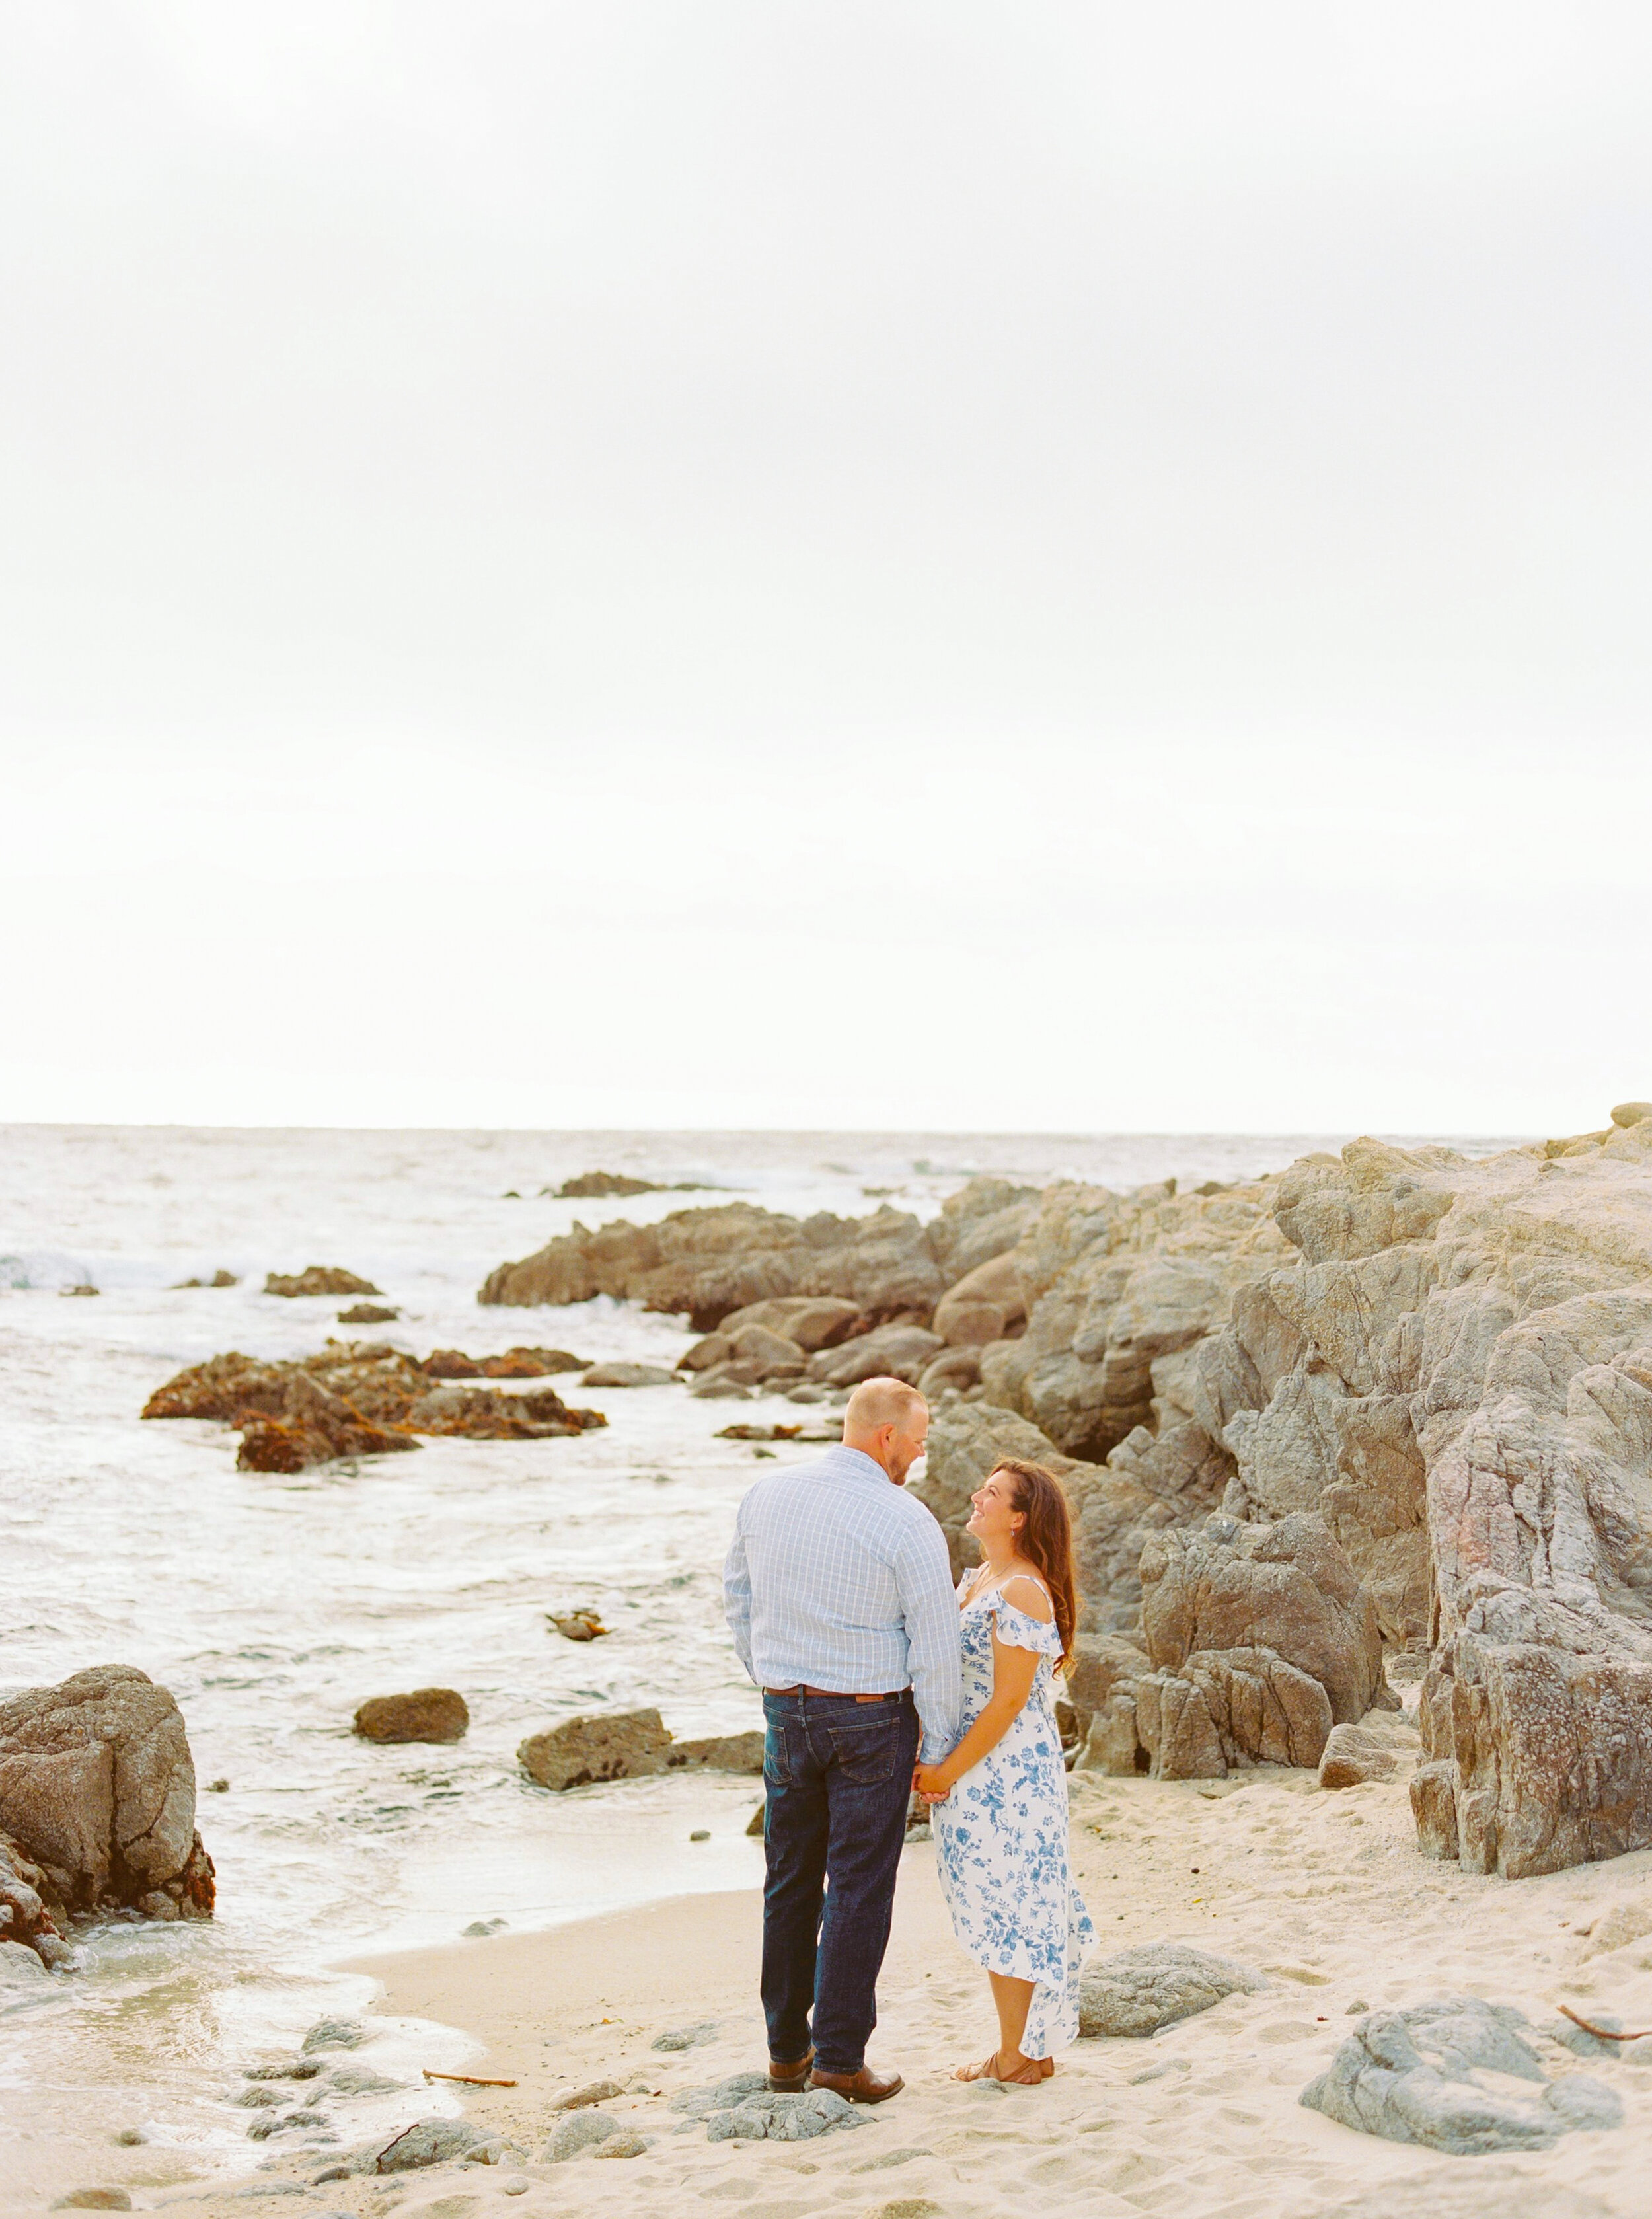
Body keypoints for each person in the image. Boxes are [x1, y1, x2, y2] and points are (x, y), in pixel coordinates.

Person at [723, 1375, 961, 2105]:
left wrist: (771, 1677)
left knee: (789, 1881)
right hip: (871, 1720)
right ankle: (839, 2059)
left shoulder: (765, 1495)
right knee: (858, 1885)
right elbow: (935, 1645)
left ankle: (786, 2056)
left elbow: (738, 1600)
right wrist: (939, 1747)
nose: (919, 1457)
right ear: (886, 1435)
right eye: (917, 1442)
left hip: (786, 1713)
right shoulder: (905, 1518)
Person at [914, 1456, 1093, 2085]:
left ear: (1019, 1517)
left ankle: (1017, 2055)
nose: (976, 1497)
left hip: (1006, 1774)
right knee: (998, 1902)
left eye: (991, 1494)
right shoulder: (982, 1579)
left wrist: (944, 1771)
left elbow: (1009, 1702)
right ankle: (1024, 2049)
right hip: (982, 1769)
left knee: (1011, 1902)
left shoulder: (1021, 1589)